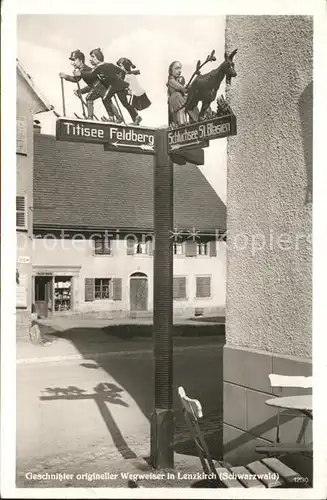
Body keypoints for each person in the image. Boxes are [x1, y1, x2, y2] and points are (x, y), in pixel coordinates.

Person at [59, 50, 121, 122]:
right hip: (97, 86)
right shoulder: (81, 69)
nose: (72, 63)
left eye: (73, 60)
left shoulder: (84, 69)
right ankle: (116, 117)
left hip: (100, 86)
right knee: (106, 101)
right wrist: (66, 77)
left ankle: (91, 118)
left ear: (80, 60)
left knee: (92, 99)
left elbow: (92, 78)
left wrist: (73, 76)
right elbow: (77, 80)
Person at [88, 48, 142, 125]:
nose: (91, 59)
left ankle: (114, 118)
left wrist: (119, 82)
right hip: (116, 86)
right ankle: (135, 117)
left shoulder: (109, 67)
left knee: (113, 100)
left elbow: (123, 73)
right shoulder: (103, 68)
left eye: (93, 57)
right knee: (123, 103)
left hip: (118, 86)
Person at [167, 61, 188, 127]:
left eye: (180, 68)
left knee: (183, 110)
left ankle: (183, 122)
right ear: (171, 71)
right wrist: (185, 88)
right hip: (175, 100)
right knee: (179, 111)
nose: (179, 71)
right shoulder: (171, 81)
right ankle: (180, 123)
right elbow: (181, 88)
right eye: (177, 68)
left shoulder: (177, 80)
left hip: (178, 99)